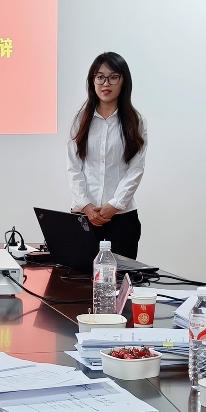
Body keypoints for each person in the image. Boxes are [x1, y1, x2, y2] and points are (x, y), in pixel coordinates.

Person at [66, 52, 148, 259]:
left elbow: (136, 169)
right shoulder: (80, 121)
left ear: (123, 81)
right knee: (78, 276)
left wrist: (115, 205)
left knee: (120, 277)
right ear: (92, 81)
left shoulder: (135, 122)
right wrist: (86, 206)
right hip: (84, 216)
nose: (106, 83)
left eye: (113, 77)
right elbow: (74, 167)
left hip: (122, 218)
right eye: (100, 77)